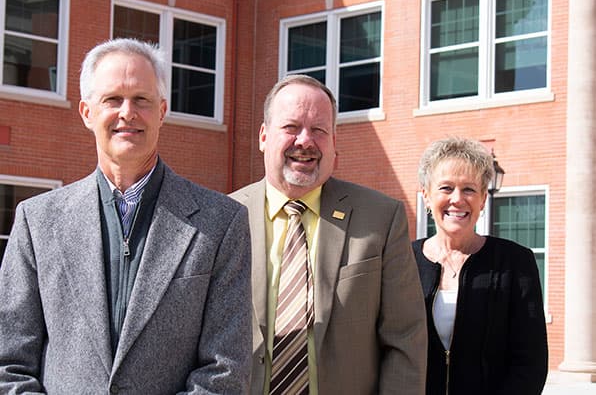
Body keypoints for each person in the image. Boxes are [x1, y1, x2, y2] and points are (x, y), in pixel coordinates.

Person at [0, 38, 252, 394]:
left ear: (162, 110)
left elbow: (226, 370)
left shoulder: (221, 223)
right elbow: (7, 362)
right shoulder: (37, 222)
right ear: (87, 112)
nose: (127, 113)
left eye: (141, 100)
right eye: (112, 99)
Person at [231, 74, 427, 394]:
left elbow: (405, 340)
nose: (305, 141)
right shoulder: (224, 217)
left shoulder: (381, 219)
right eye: (291, 127)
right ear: (264, 136)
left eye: (319, 130)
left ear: (334, 142)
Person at [412, 137, 548, 395]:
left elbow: (530, 363)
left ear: (483, 199)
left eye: (469, 190)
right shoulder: (402, 261)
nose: (457, 199)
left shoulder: (515, 263)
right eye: (446, 188)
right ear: (426, 196)